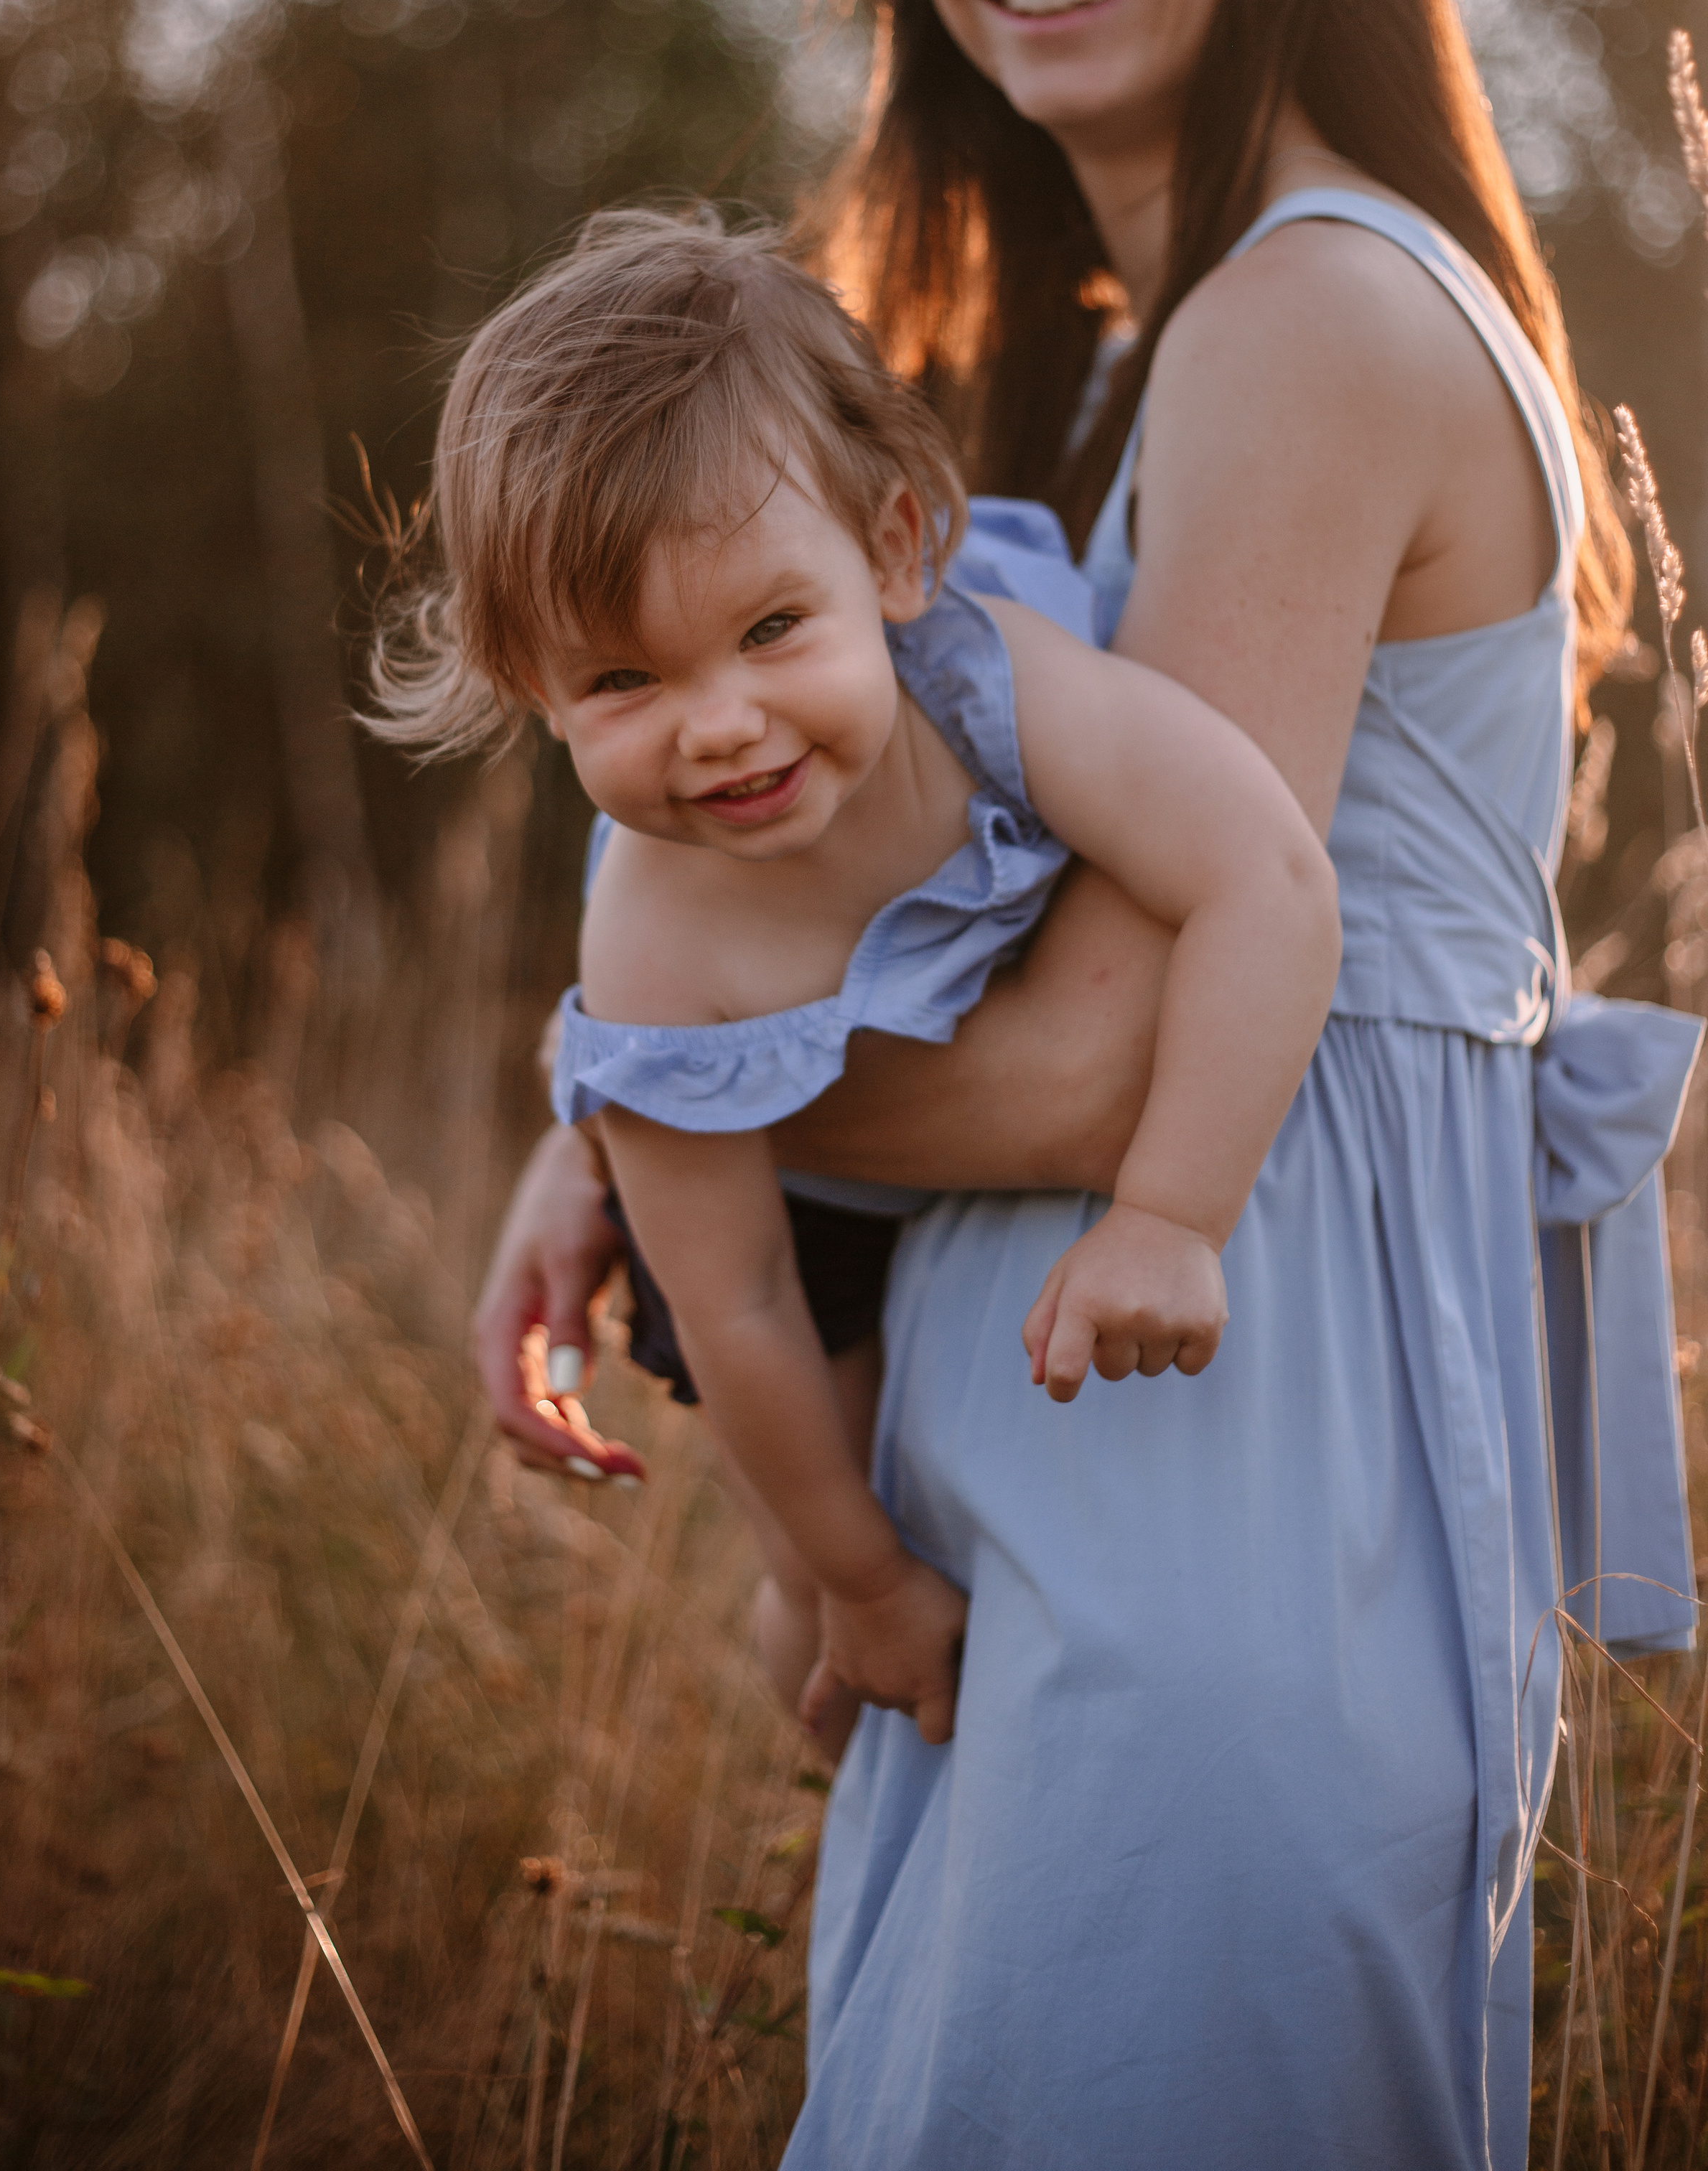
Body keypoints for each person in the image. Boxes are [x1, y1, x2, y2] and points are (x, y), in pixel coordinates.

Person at [474, 0, 1703, 2169]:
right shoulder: (1164, 347)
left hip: (1240, 1454)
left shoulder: (1305, 318)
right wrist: (628, 1124)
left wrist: (657, 1101)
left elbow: (1103, 1055)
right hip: (1115, 1463)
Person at [371, 206, 1339, 1737]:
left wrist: (1170, 1217)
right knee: (814, 1588)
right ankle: (835, 1733)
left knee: (1044, 1523)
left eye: (769, 629)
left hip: (987, 1138)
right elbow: (741, 1295)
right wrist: (859, 1577)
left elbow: (1262, 875)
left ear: (889, 554)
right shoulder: (647, 952)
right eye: (621, 679)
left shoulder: (985, 679)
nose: (720, 724)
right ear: (527, 687)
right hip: (794, 1223)